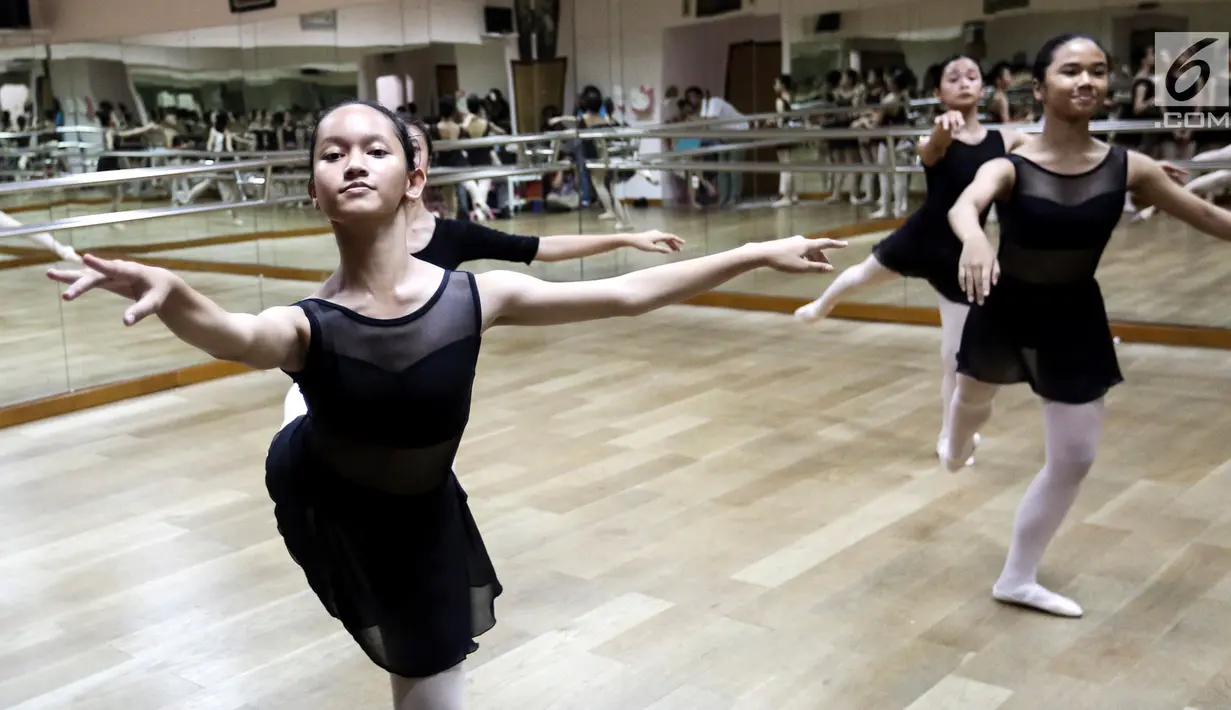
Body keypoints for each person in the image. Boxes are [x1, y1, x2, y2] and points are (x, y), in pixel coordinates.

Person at [47, 99, 847, 710]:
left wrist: (753, 249)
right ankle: (311, 416)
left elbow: (630, 294)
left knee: (429, 682)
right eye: (333, 153)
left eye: (373, 149)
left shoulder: (475, 295)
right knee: (415, 654)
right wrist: (177, 292)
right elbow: (235, 336)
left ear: (413, 178)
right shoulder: (303, 322)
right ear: (315, 188)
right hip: (326, 487)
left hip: (419, 507)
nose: (353, 163)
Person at [942, 33, 1231, 619]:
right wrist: (974, 238)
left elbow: (1205, 214)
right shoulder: (1010, 165)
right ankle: (953, 442)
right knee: (972, 405)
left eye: (1097, 72)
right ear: (1041, 86)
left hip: (1074, 318)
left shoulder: (1130, 167)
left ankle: (1017, 577)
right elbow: (964, 205)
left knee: (1074, 458)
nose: (1086, 82)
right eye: (1071, 71)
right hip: (1003, 306)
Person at [279, 117, 687, 428]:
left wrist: (626, 238)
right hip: (344, 386)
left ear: (417, 171)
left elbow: (538, 248)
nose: (363, 163)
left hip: (412, 393)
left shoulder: (453, 236)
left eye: (395, 151)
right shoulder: (357, 231)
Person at [795, 55, 1029, 464]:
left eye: (972, 76)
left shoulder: (1005, 139)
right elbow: (931, 148)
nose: (964, 83)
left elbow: (1049, 155)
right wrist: (941, 130)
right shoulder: (935, 136)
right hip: (922, 236)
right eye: (953, 78)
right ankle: (821, 306)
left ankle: (948, 436)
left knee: (954, 357)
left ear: (984, 87)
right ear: (938, 93)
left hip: (961, 253)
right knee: (861, 275)